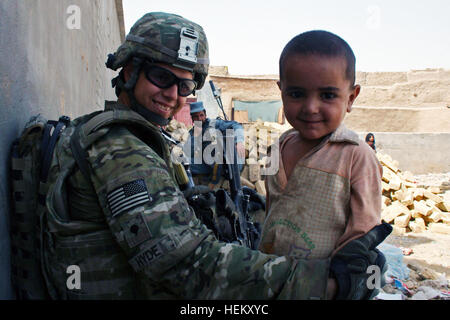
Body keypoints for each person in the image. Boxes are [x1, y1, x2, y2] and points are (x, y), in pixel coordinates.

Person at [41, 13, 389, 300]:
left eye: (185, 86)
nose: (173, 95)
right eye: (161, 77)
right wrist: (326, 285)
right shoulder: (120, 149)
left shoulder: (139, 139)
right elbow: (186, 263)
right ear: (129, 71)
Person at [259, 30, 384, 263]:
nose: (311, 107)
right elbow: (272, 210)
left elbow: (361, 235)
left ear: (351, 98)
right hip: (271, 278)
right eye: (296, 94)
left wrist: (335, 284)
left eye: (327, 95)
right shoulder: (278, 147)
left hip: (321, 286)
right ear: (282, 92)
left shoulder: (356, 157)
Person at [187, 101, 245, 187]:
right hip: (205, 164)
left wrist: (239, 141)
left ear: (205, 115)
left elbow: (236, 125)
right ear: (192, 119)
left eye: (201, 115)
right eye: (195, 117)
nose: (199, 119)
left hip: (223, 165)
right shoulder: (192, 133)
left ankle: (214, 179)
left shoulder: (214, 124)